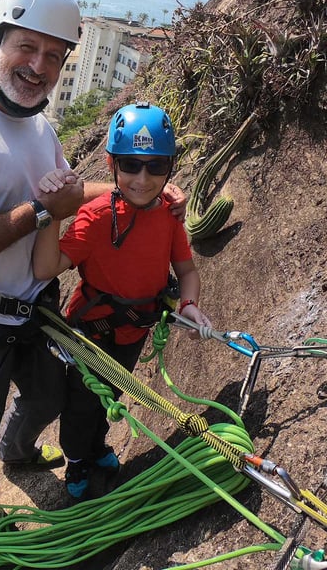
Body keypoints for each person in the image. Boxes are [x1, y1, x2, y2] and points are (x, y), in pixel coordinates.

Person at [0, 0, 185, 515]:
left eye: (53, 56)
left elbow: (71, 193)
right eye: (27, 48)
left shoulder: (38, 128)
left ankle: (19, 452)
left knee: (48, 396)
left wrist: (146, 190)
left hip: (35, 302)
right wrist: (39, 213)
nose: (39, 66)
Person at [32, 101, 212, 502]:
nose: (143, 178)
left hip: (134, 328)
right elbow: (45, 268)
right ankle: (78, 458)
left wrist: (188, 305)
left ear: (170, 166)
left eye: (156, 166)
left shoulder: (169, 213)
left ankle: (95, 448)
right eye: (131, 164)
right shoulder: (96, 218)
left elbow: (186, 270)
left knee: (113, 393)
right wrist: (52, 212)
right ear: (112, 163)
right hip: (90, 330)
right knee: (83, 400)